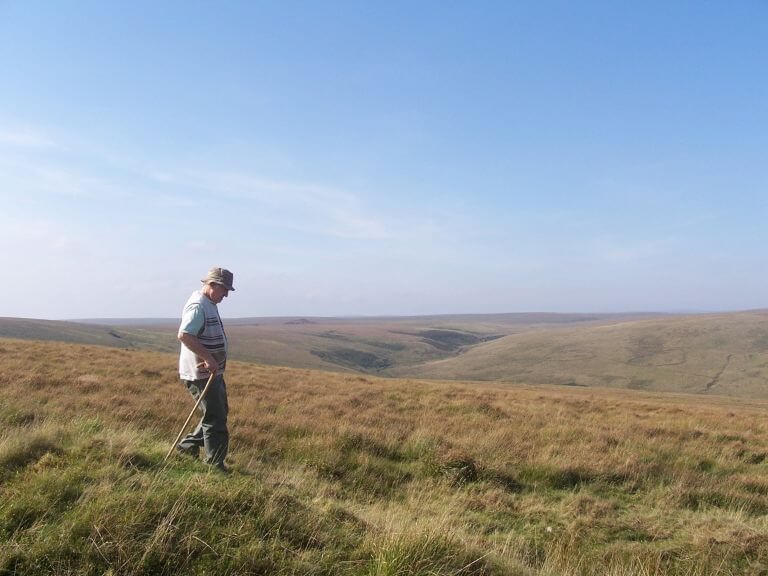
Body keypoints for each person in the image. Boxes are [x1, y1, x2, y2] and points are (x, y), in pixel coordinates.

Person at [175, 267, 235, 473]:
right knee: (215, 418)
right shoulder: (198, 306)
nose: (226, 294)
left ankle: (187, 447)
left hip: (211, 372)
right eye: (224, 289)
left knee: (217, 413)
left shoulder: (208, 302)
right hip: (200, 373)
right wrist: (208, 358)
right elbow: (185, 335)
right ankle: (214, 464)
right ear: (212, 284)